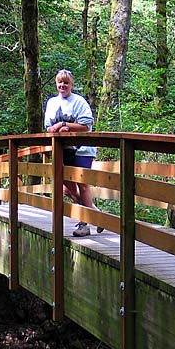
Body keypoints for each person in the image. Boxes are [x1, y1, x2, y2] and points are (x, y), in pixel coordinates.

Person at [44, 69, 104, 237]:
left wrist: (66, 125)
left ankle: (85, 224)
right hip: (64, 150)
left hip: (82, 149)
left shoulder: (79, 101)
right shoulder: (52, 103)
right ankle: (96, 215)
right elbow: (48, 126)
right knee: (66, 189)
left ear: (71, 84)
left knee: (82, 184)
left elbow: (86, 125)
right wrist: (55, 129)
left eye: (66, 82)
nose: (62, 85)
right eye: (59, 82)